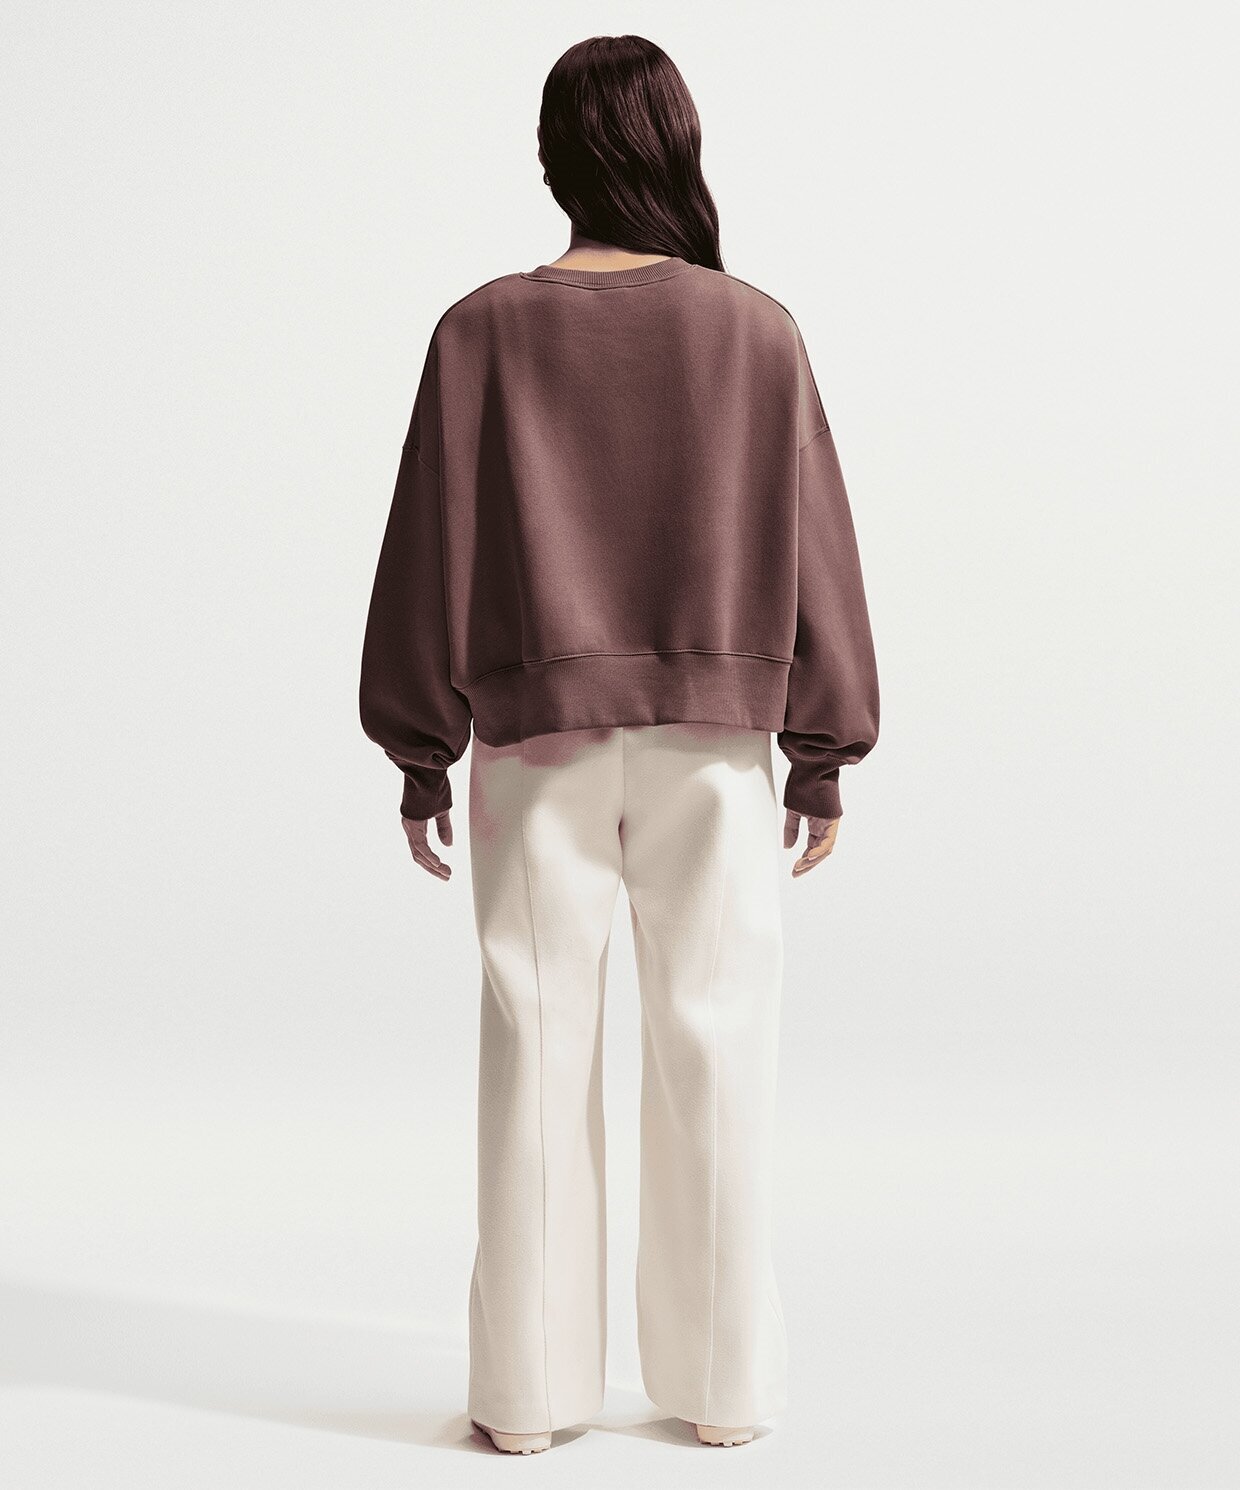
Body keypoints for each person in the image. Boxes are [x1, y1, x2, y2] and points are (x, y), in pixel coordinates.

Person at [358, 33, 880, 1456]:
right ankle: (722, 1387)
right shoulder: (754, 331)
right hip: (717, 748)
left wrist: (418, 747)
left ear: (553, 160)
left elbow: (426, 551)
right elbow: (819, 550)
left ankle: (528, 1397)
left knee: (536, 1044)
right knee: (717, 1045)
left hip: (535, 749)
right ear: (677, 147)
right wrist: (823, 750)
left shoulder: (480, 332)